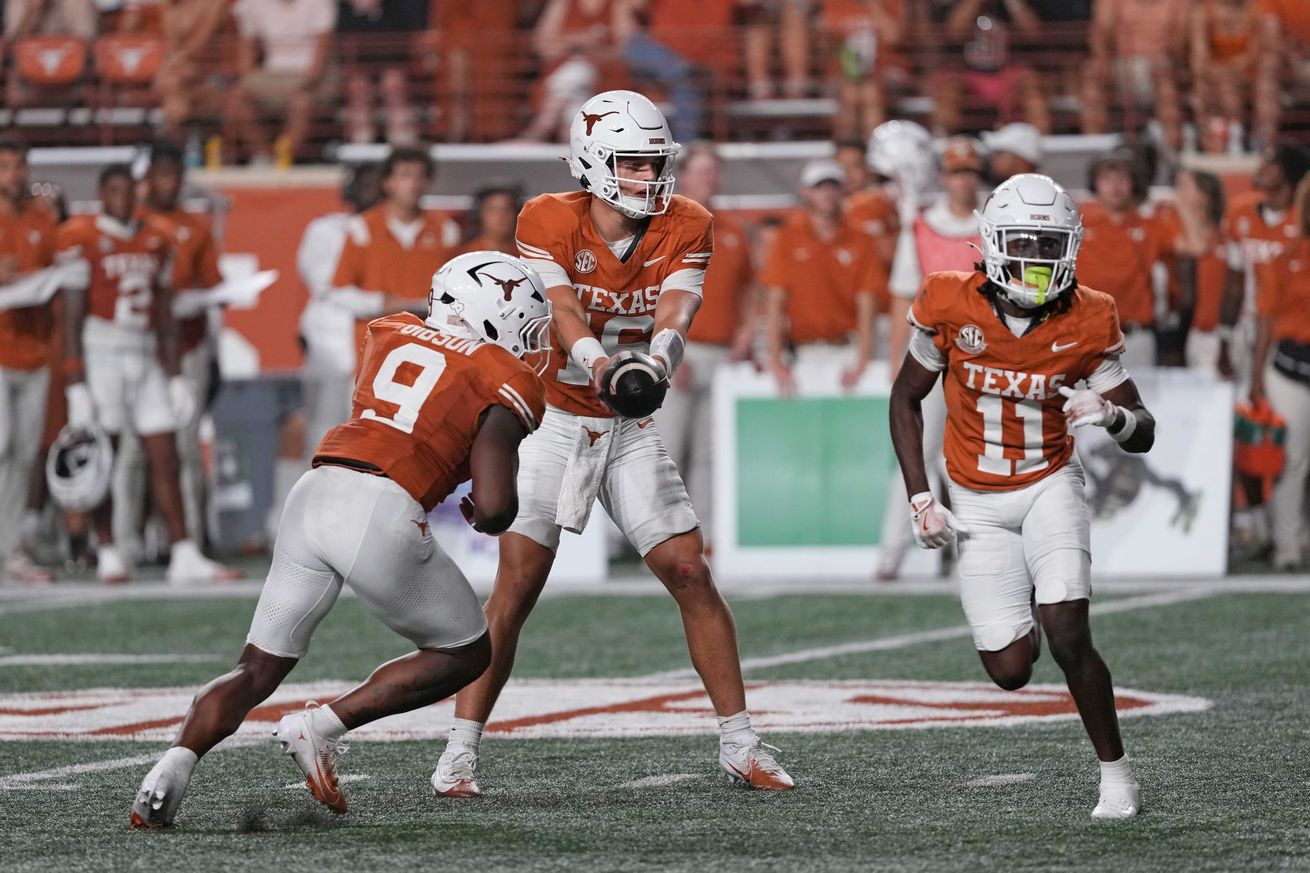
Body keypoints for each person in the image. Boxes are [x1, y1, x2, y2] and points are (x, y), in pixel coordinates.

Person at [431, 90, 794, 797]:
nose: (646, 177)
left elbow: (677, 306)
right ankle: (459, 751)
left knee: (690, 571)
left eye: (655, 162)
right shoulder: (546, 216)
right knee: (516, 587)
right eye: (631, 163)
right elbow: (561, 309)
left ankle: (740, 742)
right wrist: (604, 367)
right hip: (552, 417)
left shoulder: (688, 222)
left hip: (626, 423)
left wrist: (654, 365)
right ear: (593, 161)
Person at [128, 250, 552, 828]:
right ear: (488, 314)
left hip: (315, 489)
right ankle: (321, 726)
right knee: (469, 652)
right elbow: (498, 504)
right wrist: (485, 512)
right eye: (524, 326)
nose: (529, 343)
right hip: (378, 508)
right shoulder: (505, 377)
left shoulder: (391, 330)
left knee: (256, 668)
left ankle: (174, 764)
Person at [889, 173, 1154, 819]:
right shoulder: (948, 299)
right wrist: (921, 497)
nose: (1036, 259)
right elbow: (905, 397)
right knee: (1010, 667)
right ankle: (1033, 594)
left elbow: (1143, 430)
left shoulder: (1091, 313)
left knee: (1068, 633)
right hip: (974, 500)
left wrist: (1111, 415)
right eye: (1023, 242)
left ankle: (1116, 775)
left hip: (1047, 484)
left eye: (1049, 244)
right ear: (989, 242)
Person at [57, 164, 234, 585]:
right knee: (106, 454)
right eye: (112, 190)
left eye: (126, 190)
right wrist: (75, 379)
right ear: (101, 194)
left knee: (165, 451)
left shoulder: (156, 237)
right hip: (102, 351)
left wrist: (174, 374)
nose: (121, 198)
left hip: (144, 351)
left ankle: (183, 550)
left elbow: (164, 313)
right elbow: (71, 315)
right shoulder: (80, 237)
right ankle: (108, 548)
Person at [876, 137, 983, 581]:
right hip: (934, 355)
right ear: (943, 177)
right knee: (917, 452)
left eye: (970, 172)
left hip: (982, 356)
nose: (964, 181)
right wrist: (896, 360)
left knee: (972, 457)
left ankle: (974, 552)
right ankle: (891, 553)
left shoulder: (988, 224)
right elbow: (903, 293)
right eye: (957, 172)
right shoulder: (921, 228)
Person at [655, 142, 757, 549]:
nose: (710, 178)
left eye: (715, 171)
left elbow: (750, 288)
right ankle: (659, 534)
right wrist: (667, 351)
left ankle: (704, 533)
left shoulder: (731, 227)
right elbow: (649, 292)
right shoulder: (664, 226)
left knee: (711, 452)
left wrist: (748, 331)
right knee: (668, 448)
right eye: (703, 171)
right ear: (684, 175)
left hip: (723, 354)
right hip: (680, 350)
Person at [132, 142, 223, 550]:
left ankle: (190, 538)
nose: (169, 184)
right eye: (162, 175)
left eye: (175, 176)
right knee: (135, 447)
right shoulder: (132, 223)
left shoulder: (196, 226)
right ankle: (129, 538)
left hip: (186, 346)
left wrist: (198, 298)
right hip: (139, 348)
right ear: (147, 178)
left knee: (185, 444)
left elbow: (213, 283)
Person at [329, 146, 459, 363]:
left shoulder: (446, 231)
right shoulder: (362, 229)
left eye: (420, 176)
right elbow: (338, 292)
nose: (413, 184)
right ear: (387, 182)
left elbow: (458, 293)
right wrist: (380, 302)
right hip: (377, 347)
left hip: (430, 345)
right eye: (405, 175)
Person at [764, 158, 879, 395]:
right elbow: (775, 301)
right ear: (806, 191)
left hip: (846, 350)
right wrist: (775, 360)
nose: (827, 193)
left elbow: (867, 302)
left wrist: (863, 358)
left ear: (843, 190)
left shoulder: (861, 239)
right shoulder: (787, 238)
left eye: (832, 185)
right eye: (819, 186)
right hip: (801, 353)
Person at [0, 139, 59, 584]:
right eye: (6, 166)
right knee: (1, 446)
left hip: (34, 350)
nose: (14, 174)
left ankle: (11, 547)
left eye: (20, 165)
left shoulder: (43, 215)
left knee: (23, 454)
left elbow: (55, 272)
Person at [297, 161, 383, 453]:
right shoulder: (326, 227)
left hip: (378, 340)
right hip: (330, 339)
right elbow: (324, 283)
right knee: (326, 422)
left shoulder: (394, 232)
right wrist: (378, 302)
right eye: (367, 183)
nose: (375, 191)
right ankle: (315, 488)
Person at [1248, 177, 1310, 570]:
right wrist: (1256, 378)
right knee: (1293, 460)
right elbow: (1266, 321)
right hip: (1290, 366)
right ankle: (1288, 545)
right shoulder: (1286, 255)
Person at [1075, 150, 1165, 368]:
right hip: (1085, 335)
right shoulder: (1075, 221)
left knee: (1135, 402)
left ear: (1133, 184)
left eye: (1122, 178)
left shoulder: (1151, 225)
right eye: (1106, 179)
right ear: (1094, 184)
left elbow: (1195, 246)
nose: (1115, 186)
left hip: (1135, 337)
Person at [225, 0, 337, 164]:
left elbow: (319, 62)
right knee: (237, 99)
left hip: (309, 74)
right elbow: (246, 55)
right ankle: (264, 157)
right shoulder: (250, 4)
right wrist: (248, 84)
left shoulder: (321, 3)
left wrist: (306, 85)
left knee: (302, 101)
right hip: (271, 75)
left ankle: (285, 159)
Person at [461, 182, 523, 256]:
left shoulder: (528, 253)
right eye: (492, 210)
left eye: (507, 209)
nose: (501, 215)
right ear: (478, 215)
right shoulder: (465, 255)